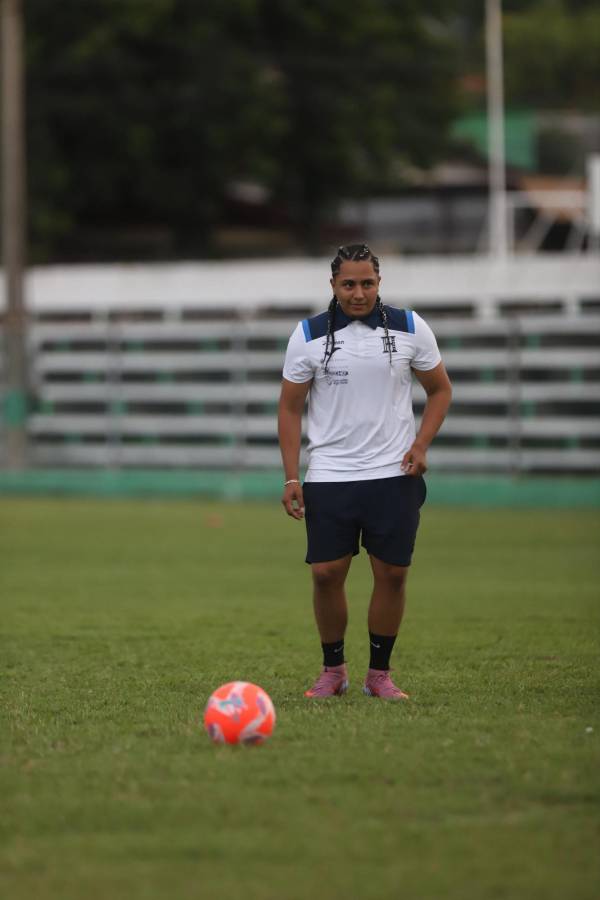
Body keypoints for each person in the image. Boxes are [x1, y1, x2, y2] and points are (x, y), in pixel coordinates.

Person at [278, 243, 452, 699]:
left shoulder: (411, 327)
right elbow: (290, 408)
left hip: (393, 475)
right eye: (348, 284)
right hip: (330, 475)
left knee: (392, 575)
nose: (358, 293)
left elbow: (440, 391)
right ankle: (333, 670)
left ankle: (380, 675)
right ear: (333, 286)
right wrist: (292, 476)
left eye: (367, 283)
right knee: (325, 574)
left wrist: (420, 444)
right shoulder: (308, 335)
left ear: (379, 283)